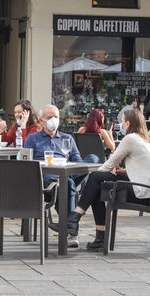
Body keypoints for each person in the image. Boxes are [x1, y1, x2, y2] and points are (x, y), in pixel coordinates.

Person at [65, 108, 150, 251]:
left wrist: (95, 177)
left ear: (128, 123)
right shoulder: (147, 140)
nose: (121, 126)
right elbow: (144, 168)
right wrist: (122, 171)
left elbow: (108, 165)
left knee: (95, 178)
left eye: (122, 122)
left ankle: (77, 217)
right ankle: (97, 235)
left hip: (141, 192)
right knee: (97, 187)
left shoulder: (131, 138)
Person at [27, 105, 100, 247]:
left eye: (56, 117)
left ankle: (68, 226)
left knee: (93, 158)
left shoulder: (67, 138)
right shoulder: (33, 138)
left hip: (67, 173)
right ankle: (71, 232)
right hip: (46, 179)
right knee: (69, 184)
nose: (53, 120)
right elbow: (26, 162)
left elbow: (77, 162)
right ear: (42, 121)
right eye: (49, 117)